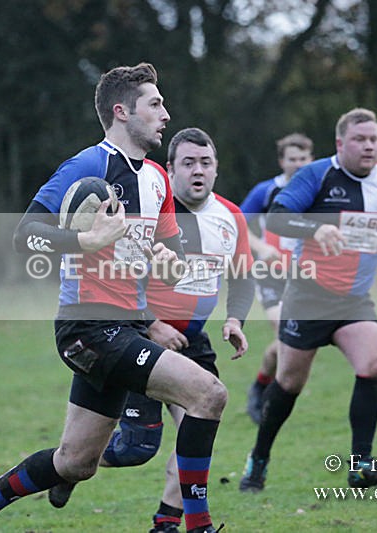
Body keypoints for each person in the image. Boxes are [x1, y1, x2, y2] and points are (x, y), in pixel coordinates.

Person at [0, 64, 227, 533]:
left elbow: (173, 257)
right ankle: (197, 526)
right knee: (209, 393)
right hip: (89, 327)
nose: (166, 114)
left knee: (77, 461)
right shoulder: (87, 167)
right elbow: (24, 236)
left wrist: (169, 261)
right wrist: (83, 241)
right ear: (122, 112)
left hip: (127, 327)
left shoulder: (159, 180)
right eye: (155, 104)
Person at [47, 127, 255, 533]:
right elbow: (119, 276)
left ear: (217, 169)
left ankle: (169, 522)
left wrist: (235, 320)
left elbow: (243, 275)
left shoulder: (231, 217)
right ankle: (66, 469)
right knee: (134, 449)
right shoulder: (148, 208)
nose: (198, 170)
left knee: (198, 422)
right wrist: (150, 323)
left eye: (206, 162)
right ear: (170, 169)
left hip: (193, 342)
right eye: (188, 163)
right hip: (140, 337)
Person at [239, 108, 377, 493]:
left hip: (354, 301)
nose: (369, 145)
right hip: (307, 296)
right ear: (341, 143)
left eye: (374, 138)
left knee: (372, 363)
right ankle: (259, 458)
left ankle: (360, 466)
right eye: (360, 139)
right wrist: (316, 227)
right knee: (288, 383)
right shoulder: (317, 175)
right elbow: (277, 218)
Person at [239, 133, 313, 424]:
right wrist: (262, 247)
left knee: (293, 343)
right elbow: (237, 224)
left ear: (311, 159)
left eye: (303, 158)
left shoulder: (318, 190)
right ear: (282, 161)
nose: (297, 164)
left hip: (305, 277)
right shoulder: (266, 191)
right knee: (285, 333)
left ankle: (260, 384)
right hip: (270, 275)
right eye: (292, 159)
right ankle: (265, 394)